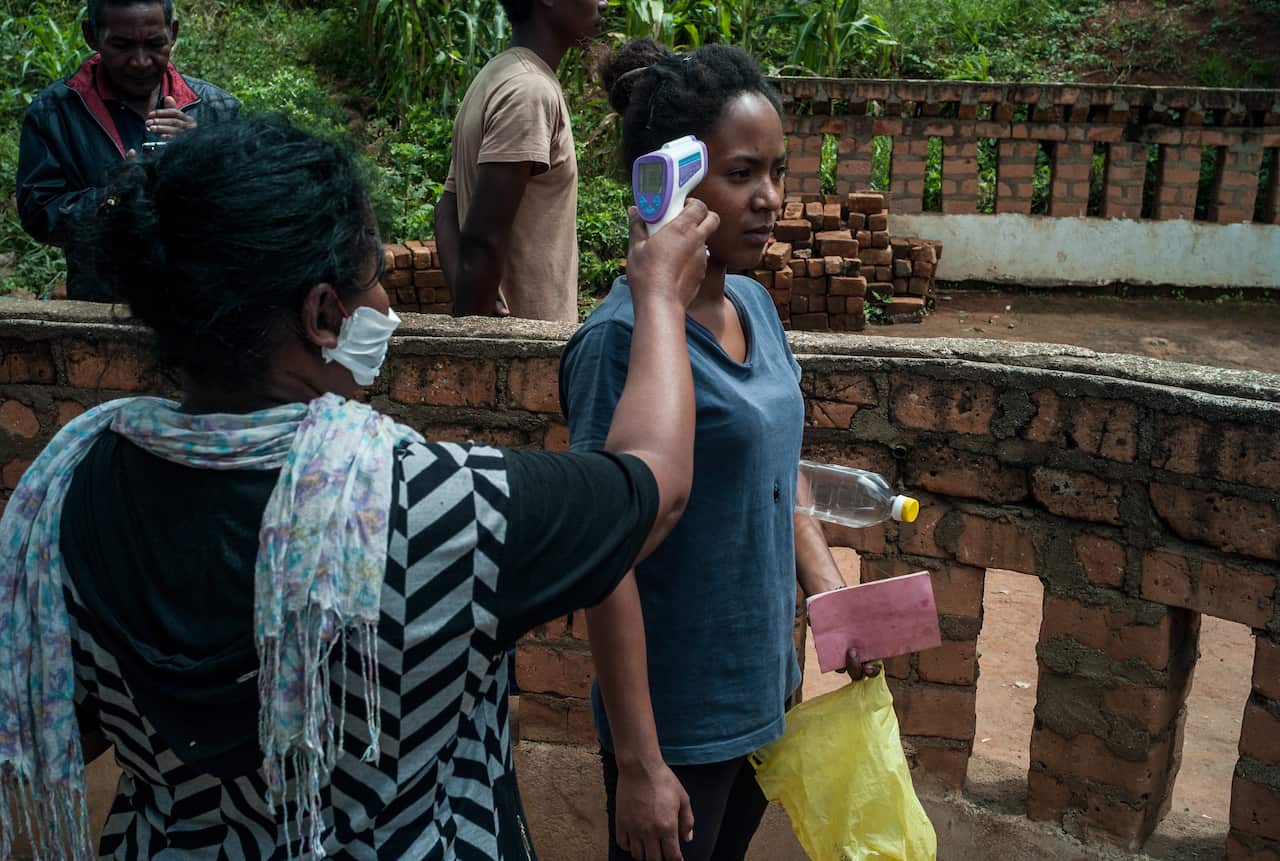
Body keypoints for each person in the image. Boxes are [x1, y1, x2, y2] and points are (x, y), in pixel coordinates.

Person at [0, 117, 719, 861]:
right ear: (321, 314)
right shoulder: (436, 507)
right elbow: (653, 486)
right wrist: (659, 298)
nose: (383, 297)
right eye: (371, 272)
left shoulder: (68, 490)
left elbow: (76, 713)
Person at [559, 41, 881, 861]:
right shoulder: (619, 343)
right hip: (676, 723)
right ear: (663, 179)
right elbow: (606, 558)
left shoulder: (755, 305)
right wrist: (638, 764)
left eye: (776, 171)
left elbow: (777, 473)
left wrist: (830, 593)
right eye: (742, 174)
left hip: (762, 694)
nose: (769, 198)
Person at [16, 0, 239, 301]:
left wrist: (205, 152)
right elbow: (39, 216)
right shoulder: (54, 114)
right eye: (122, 45)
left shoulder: (218, 108)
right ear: (90, 35)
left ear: (172, 34)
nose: (140, 61)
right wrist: (111, 196)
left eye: (155, 44)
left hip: (198, 309)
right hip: (102, 307)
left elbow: (246, 213)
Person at [434, 0, 605, 322]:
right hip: (526, 341)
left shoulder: (496, 75)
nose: (604, 3)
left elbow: (446, 209)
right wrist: (477, 325)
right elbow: (482, 238)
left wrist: (469, 309)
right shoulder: (529, 90)